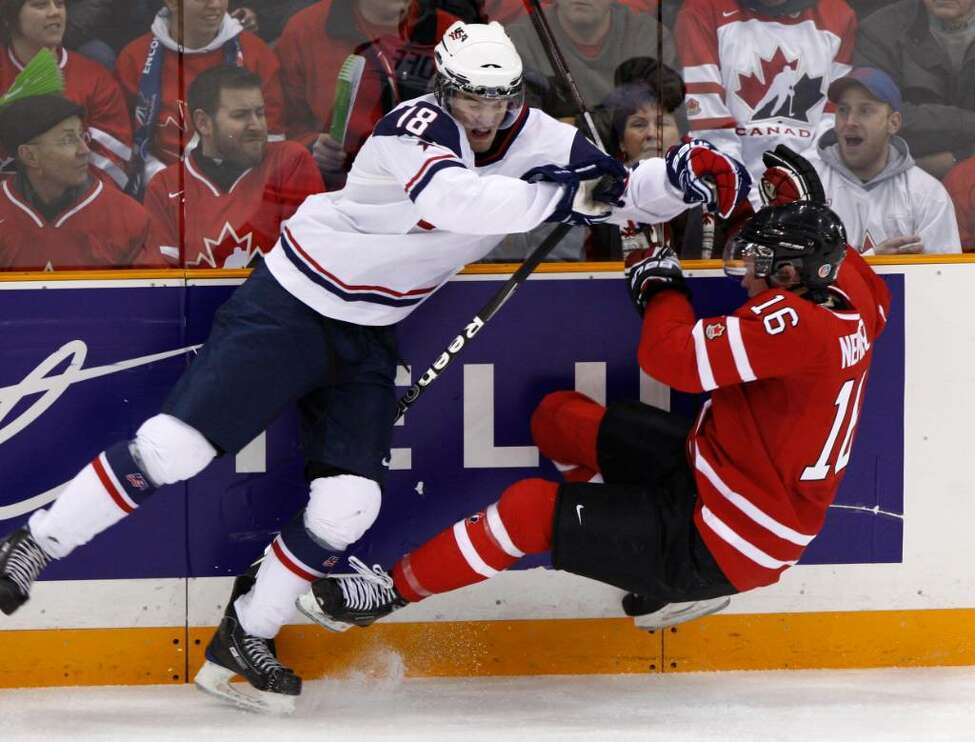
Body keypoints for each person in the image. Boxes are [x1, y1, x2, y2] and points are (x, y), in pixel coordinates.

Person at [0, 20, 749, 713]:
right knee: (174, 449)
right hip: (292, 302)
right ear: (444, 87)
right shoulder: (412, 127)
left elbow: (619, 193)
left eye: (496, 100)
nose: (482, 114)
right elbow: (460, 201)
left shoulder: (542, 139)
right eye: (468, 97)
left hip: (370, 330)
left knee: (347, 506)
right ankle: (34, 544)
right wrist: (572, 194)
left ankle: (242, 637)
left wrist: (679, 176)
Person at [297, 159, 892, 645]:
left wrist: (658, 282)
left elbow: (671, 360)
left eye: (758, 265)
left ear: (792, 273)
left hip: (724, 539)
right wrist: (772, 214)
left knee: (530, 510)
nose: (745, 276)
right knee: (557, 419)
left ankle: (388, 593)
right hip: (717, 477)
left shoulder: (794, 324)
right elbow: (830, 258)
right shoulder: (852, 293)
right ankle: (626, 534)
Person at [676, 0, 857, 206]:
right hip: (728, 195)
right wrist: (748, 202)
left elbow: (834, 122)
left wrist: (800, 190)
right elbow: (708, 124)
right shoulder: (702, 9)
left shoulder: (838, 14)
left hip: (813, 194)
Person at [144, 65, 325, 267]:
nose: (256, 125)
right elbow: (164, 283)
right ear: (203, 123)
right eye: (240, 115)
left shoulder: (290, 162)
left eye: (260, 113)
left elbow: (305, 262)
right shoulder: (165, 186)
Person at [275, 0, 461, 189]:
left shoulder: (449, 32)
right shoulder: (305, 31)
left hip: (430, 182)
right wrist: (312, 145)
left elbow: (477, 122)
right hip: (340, 188)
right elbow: (284, 124)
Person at [115, 0, 284, 192]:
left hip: (242, 186)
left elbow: (273, 138)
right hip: (161, 189)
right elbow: (127, 140)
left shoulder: (255, 53)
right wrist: (160, 178)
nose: (216, 5)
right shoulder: (135, 57)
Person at [0, 90, 159, 269]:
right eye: (67, 140)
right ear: (29, 156)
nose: (85, 150)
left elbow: (146, 295)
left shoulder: (130, 218)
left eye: (82, 136)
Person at [811, 67, 960, 255]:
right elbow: (790, 276)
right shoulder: (807, 186)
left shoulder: (928, 194)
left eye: (865, 111)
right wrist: (875, 262)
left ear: (894, 123)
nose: (850, 121)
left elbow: (943, 279)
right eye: (843, 110)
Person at [0, 0, 133, 188]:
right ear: (9, 17)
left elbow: (113, 164)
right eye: (40, 5)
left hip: (77, 206)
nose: (55, 12)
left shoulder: (95, 79)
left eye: (60, 4)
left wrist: (58, 198)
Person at [855, 0, 975, 180]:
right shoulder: (879, 30)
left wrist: (958, 159)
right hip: (896, 174)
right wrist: (966, 122)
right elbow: (873, 114)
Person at [506, 0, 676, 121]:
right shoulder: (519, 41)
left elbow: (651, 117)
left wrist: (572, 124)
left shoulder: (648, 37)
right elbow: (527, 129)